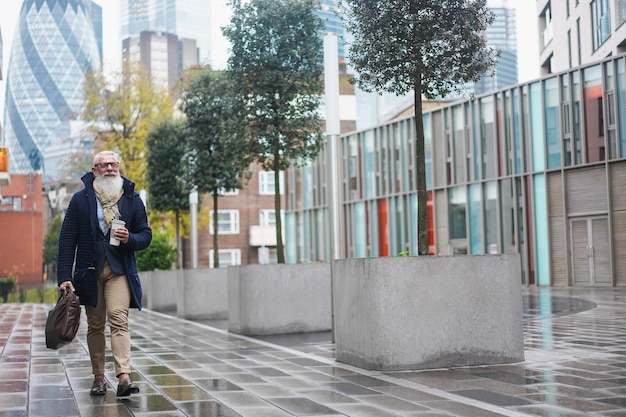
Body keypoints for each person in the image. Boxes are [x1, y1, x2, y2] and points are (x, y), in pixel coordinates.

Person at [57, 150, 152, 398]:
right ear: (94, 171)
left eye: (113, 164)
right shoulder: (80, 200)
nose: (109, 168)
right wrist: (64, 275)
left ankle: (124, 377)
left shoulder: (131, 198)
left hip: (119, 269)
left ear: (118, 167)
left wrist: (130, 237)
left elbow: (145, 234)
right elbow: (67, 240)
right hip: (88, 271)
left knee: (119, 319)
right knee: (96, 324)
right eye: (103, 165)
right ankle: (99, 377)